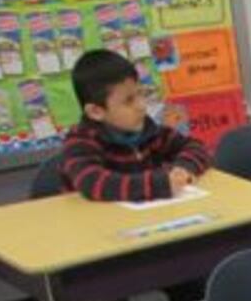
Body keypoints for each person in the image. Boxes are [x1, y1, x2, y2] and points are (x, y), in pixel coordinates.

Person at [58, 49, 210, 202]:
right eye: (129, 101)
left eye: (141, 93)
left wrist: (183, 168)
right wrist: (158, 184)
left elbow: (196, 147)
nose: (141, 106)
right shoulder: (80, 143)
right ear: (96, 111)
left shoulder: (150, 132)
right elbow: (93, 183)